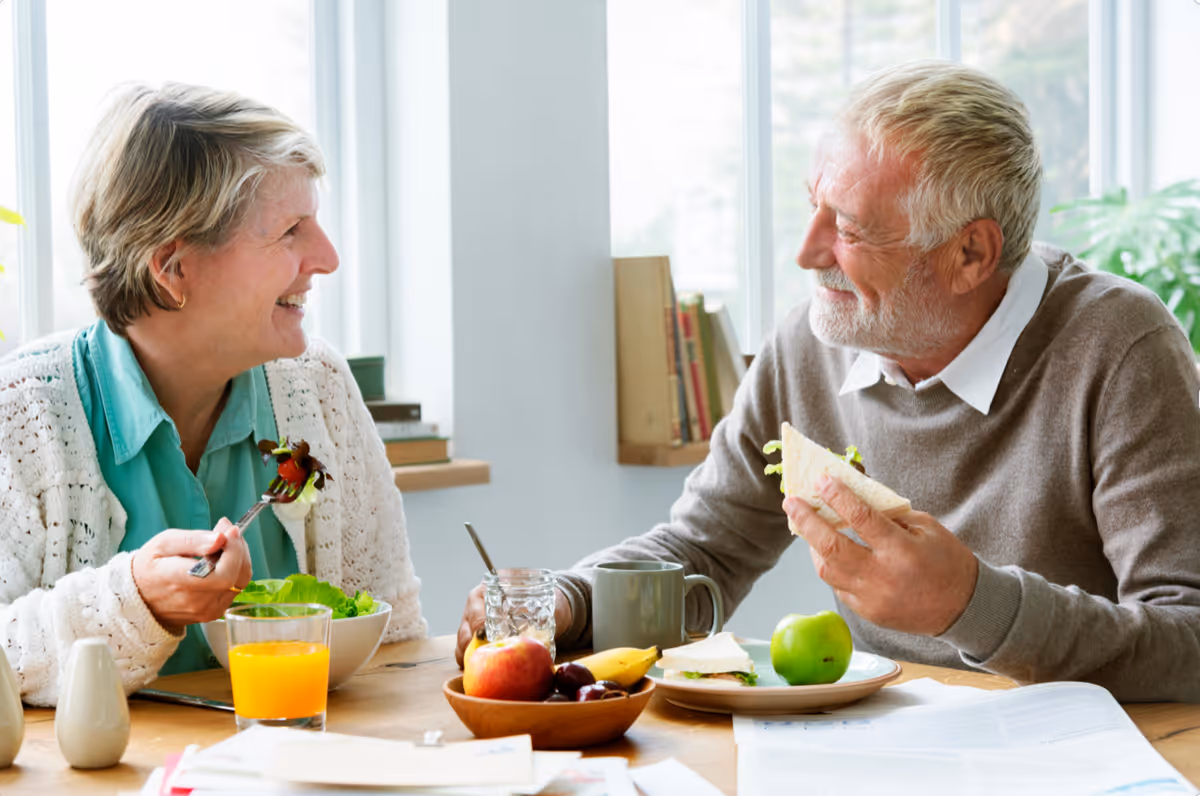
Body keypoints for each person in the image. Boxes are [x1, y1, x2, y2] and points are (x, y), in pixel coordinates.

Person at [457, 61, 1200, 702]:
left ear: (971, 253)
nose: (807, 253)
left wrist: (971, 605)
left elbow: (1189, 639)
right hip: (876, 742)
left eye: (846, 227)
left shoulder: (1120, 347)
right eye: (813, 205)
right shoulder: (810, 343)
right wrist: (567, 598)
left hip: (1088, 758)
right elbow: (705, 548)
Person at [0, 84, 426, 706]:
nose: (327, 257)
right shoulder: (22, 415)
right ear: (173, 271)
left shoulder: (320, 385)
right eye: (289, 230)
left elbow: (395, 649)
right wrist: (136, 600)